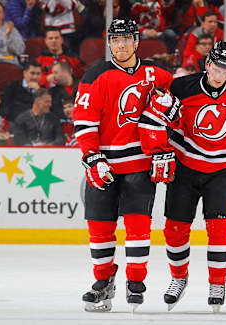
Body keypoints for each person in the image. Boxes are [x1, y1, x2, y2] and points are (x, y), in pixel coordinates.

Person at [137, 40, 226, 313]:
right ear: (207, 64)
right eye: (215, 67)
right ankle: (178, 278)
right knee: (174, 229)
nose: (219, 74)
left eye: (225, 69)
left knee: (220, 231)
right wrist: (160, 151)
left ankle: (217, 283)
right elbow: (154, 120)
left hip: (223, 170)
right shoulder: (182, 88)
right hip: (186, 167)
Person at [73, 18, 172, 312]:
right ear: (110, 44)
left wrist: (172, 111)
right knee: (99, 228)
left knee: (138, 227)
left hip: (139, 164)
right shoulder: (96, 74)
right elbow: (84, 122)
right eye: (116, 40)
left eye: (127, 39)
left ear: (136, 41)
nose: (121, 45)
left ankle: (135, 282)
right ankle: (103, 281)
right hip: (104, 163)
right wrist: (92, 157)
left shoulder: (156, 73)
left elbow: (179, 99)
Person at [0, 60, 42, 125]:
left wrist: (38, 91)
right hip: (15, 123)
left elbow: (47, 110)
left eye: (38, 74)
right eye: (32, 73)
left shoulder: (43, 90)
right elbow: (4, 108)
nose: (35, 77)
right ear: (24, 73)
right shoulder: (12, 87)